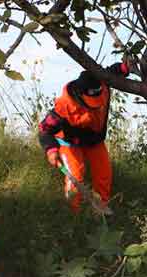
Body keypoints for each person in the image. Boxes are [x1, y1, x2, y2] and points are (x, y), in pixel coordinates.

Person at [37, 61, 130, 214]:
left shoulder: (102, 82)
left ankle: (100, 211)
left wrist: (124, 68)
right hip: (69, 143)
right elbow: (44, 130)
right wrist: (51, 150)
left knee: (104, 174)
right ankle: (74, 214)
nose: (96, 105)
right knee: (76, 176)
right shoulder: (63, 107)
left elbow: (111, 71)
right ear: (80, 95)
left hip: (95, 140)